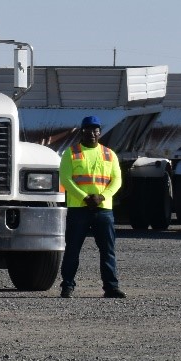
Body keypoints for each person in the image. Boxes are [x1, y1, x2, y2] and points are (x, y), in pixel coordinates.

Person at [59, 115, 125, 299]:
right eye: (88, 130)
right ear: (82, 131)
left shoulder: (109, 154)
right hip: (79, 209)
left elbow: (117, 180)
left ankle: (111, 287)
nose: (92, 134)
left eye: (95, 130)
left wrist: (102, 196)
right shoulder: (70, 153)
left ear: (100, 133)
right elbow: (65, 179)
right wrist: (85, 197)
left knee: (107, 250)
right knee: (72, 249)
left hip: (103, 209)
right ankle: (67, 286)